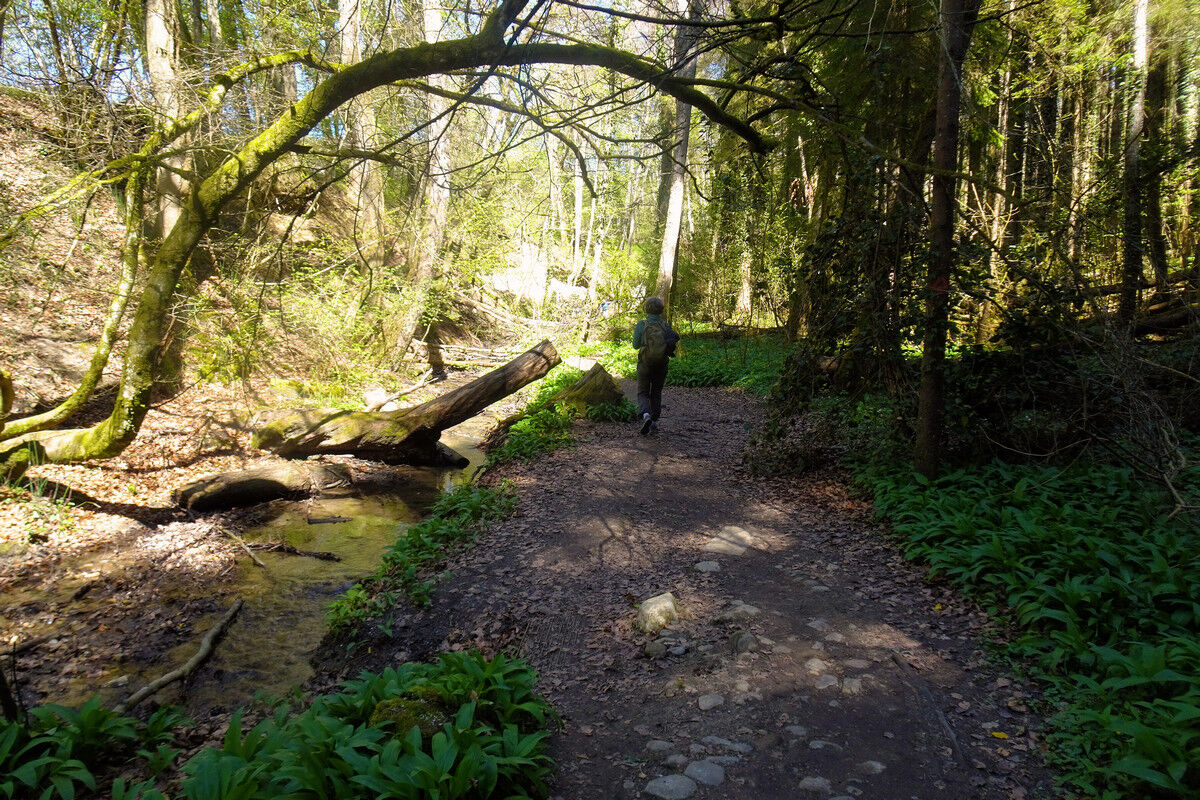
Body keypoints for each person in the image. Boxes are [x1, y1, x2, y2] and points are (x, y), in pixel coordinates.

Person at [632, 296, 679, 435]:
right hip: (662, 363)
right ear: (661, 310)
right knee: (656, 392)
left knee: (643, 391)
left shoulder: (642, 324)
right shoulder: (665, 325)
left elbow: (635, 345)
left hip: (645, 362)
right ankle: (654, 421)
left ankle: (646, 415)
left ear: (646, 309)